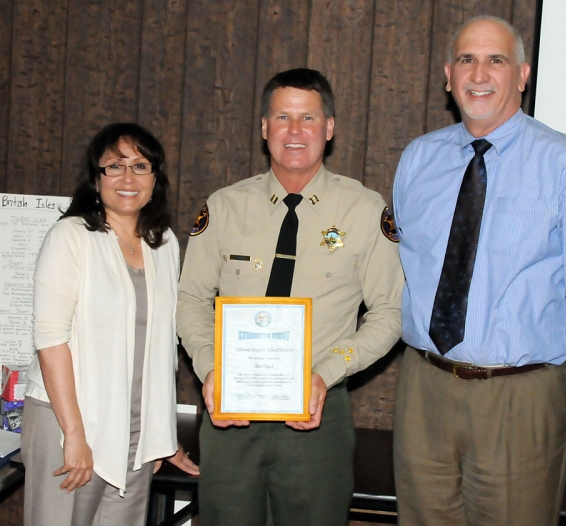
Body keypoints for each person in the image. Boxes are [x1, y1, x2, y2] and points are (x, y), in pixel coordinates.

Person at [392, 16, 566, 526]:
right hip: (424, 390)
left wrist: (538, 363)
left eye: (496, 59)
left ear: (522, 74)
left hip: (520, 396)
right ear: (448, 75)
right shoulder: (418, 160)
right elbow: (405, 264)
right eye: (468, 60)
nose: (480, 73)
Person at [177, 67, 404, 526]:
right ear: (264, 128)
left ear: (330, 128)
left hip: (317, 415)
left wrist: (328, 371)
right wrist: (210, 368)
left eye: (308, 119)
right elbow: (190, 301)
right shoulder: (223, 208)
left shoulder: (363, 211)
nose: (295, 131)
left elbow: (391, 312)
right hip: (230, 413)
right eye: (282, 118)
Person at [22, 123, 198, 526]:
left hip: (136, 432)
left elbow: (162, 347)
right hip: (68, 422)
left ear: (156, 178)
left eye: (140, 166)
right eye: (114, 167)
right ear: (96, 177)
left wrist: (162, 437)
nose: (128, 178)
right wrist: (75, 436)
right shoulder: (71, 237)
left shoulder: (164, 242)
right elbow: (50, 342)